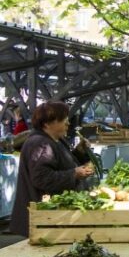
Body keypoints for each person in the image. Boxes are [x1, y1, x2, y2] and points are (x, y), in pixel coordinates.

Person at [10, 101, 95, 236]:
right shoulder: (40, 143)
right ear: (47, 124)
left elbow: (62, 163)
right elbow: (42, 179)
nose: (68, 123)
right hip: (44, 219)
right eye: (63, 120)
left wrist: (80, 152)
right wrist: (74, 174)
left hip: (52, 218)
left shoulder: (55, 140)